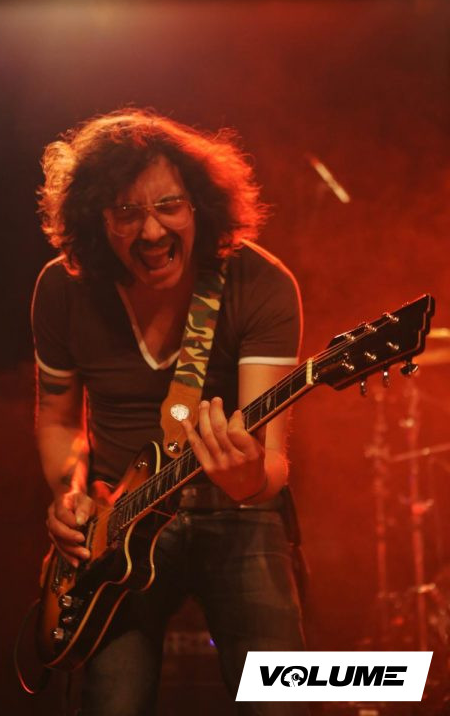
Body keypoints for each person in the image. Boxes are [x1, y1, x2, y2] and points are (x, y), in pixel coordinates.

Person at [32, 108, 307, 716]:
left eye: (169, 206)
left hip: (237, 513)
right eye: (126, 212)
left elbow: (271, 466)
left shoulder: (259, 283)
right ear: (96, 219)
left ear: (199, 206)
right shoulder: (62, 288)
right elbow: (57, 416)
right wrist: (70, 494)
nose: (152, 231)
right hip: (116, 525)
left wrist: (248, 478)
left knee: (282, 703)